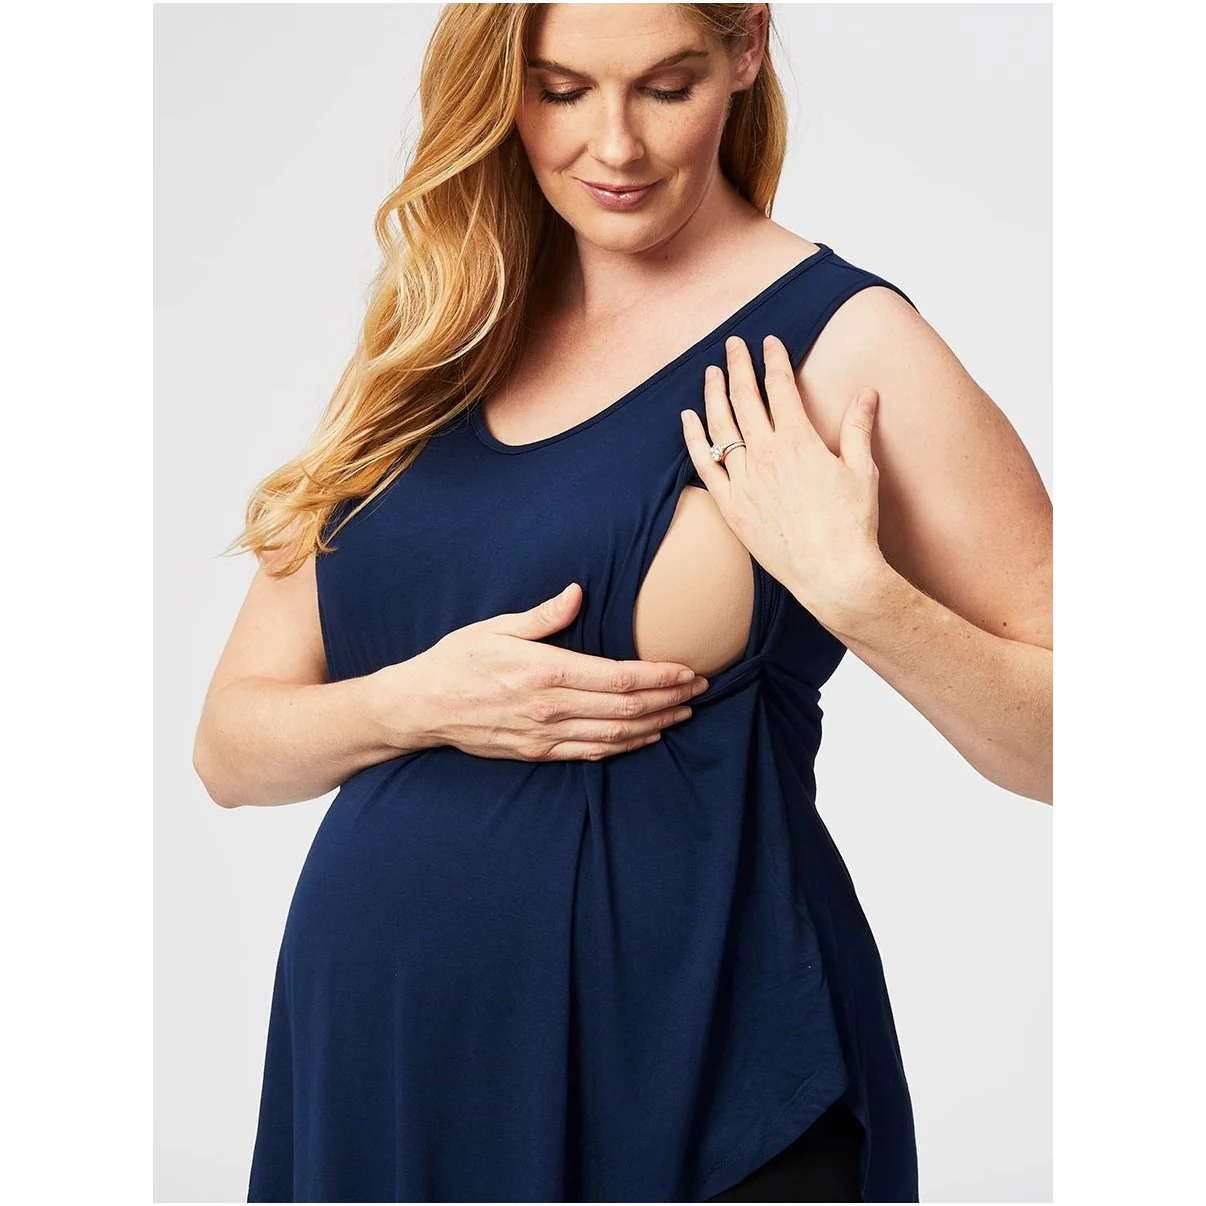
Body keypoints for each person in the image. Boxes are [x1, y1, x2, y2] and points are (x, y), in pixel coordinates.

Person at [192, 3, 1053, 1202]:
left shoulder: (842, 346)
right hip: (382, 1070)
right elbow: (230, 747)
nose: (615, 145)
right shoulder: (433, 342)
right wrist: (418, 701)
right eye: (561, 91)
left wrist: (857, 595)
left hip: (697, 1085)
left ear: (744, 50)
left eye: (665, 86)